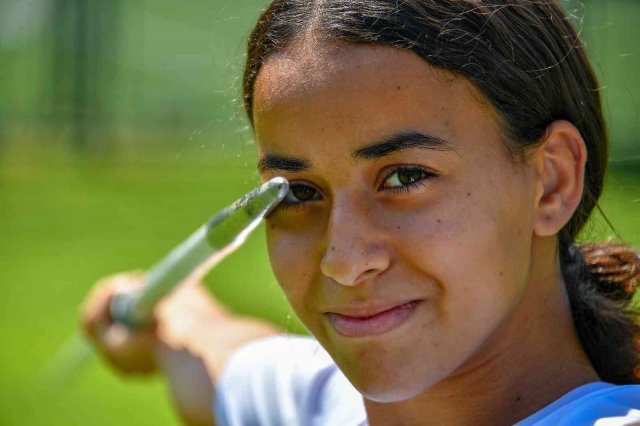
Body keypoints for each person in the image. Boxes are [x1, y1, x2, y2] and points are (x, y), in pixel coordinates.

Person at [80, 1, 640, 425]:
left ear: (551, 181)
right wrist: (154, 314)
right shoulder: (308, 402)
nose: (343, 262)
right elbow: (209, 345)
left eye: (404, 177)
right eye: (299, 193)